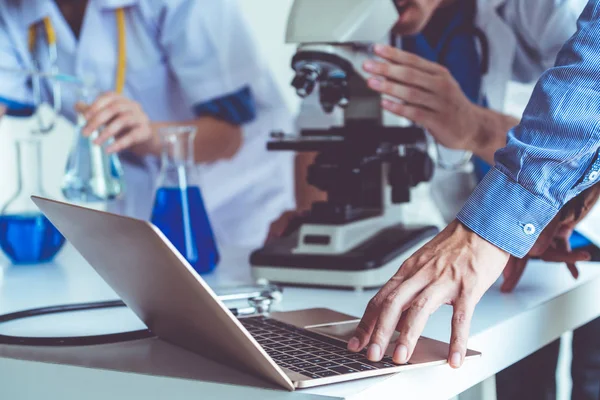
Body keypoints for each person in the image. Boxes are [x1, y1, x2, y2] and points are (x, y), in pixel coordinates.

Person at [347, 0, 600, 386]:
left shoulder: (532, 11)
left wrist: (490, 228)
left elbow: (585, 94)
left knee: (591, 377)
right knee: (522, 381)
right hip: (516, 238)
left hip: (531, 225)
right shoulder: (370, 20)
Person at [0, 0, 295, 248]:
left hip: (239, 205)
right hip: (139, 215)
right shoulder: (12, 10)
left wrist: (148, 136)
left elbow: (228, 137)